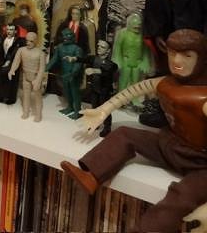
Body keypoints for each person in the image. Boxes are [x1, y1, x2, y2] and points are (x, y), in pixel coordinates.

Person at [61, 29, 207, 233]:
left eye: (187, 55)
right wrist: (104, 110)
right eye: (172, 53)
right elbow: (133, 90)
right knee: (124, 134)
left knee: (181, 196)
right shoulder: (165, 82)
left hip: (200, 165)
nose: (176, 60)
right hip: (169, 145)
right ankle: (91, 175)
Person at [141, 0, 207, 127]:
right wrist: (157, 32)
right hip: (171, 36)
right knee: (171, 74)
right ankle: (166, 111)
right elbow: (154, 7)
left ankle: (193, 117)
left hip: (199, 37)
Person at [69, 39, 118, 137]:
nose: (99, 48)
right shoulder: (94, 58)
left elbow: (107, 71)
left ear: (108, 50)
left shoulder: (111, 64)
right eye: (98, 46)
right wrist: (74, 58)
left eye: (103, 47)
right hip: (95, 89)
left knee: (105, 110)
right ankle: (96, 123)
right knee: (94, 107)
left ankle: (107, 127)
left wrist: (94, 70)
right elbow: (84, 59)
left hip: (104, 91)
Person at [113, 12, 152, 106]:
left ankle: (135, 100)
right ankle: (120, 99)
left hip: (137, 62)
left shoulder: (142, 35)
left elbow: (146, 51)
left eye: (139, 25)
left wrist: (145, 62)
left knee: (135, 83)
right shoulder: (123, 33)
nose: (137, 27)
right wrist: (117, 61)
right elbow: (117, 48)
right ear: (129, 24)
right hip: (125, 61)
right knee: (123, 81)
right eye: (135, 25)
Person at [46, 28, 84, 119]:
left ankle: (78, 111)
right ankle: (70, 107)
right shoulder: (60, 47)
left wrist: (72, 73)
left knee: (75, 93)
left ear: (72, 36)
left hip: (74, 76)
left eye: (68, 35)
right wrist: (46, 68)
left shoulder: (77, 49)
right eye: (64, 35)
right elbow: (54, 59)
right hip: (64, 74)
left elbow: (78, 64)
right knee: (66, 92)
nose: (65, 37)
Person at [8, 31, 46, 122]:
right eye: (27, 40)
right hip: (26, 77)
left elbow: (42, 69)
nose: (28, 43)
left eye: (31, 41)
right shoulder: (21, 50)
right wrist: (12, 70)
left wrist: (38, 80)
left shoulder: (41, 53)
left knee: (37, 97)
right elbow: (16, 61)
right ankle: (26, 112)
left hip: (35, 77)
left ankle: (38, 115)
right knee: (26, 96)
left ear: (36, 41)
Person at [0, 23, 25, 104]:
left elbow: (17, 53)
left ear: (15, 31)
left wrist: (10, 61)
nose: (9, 31)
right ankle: (0, 97)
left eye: (11, 30)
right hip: (3, 62)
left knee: (12, 81)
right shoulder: (3, 38)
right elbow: (0, 50)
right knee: (2, 79)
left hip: (14, 63)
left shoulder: (19, 41)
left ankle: (11, 99)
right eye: (8, 29)